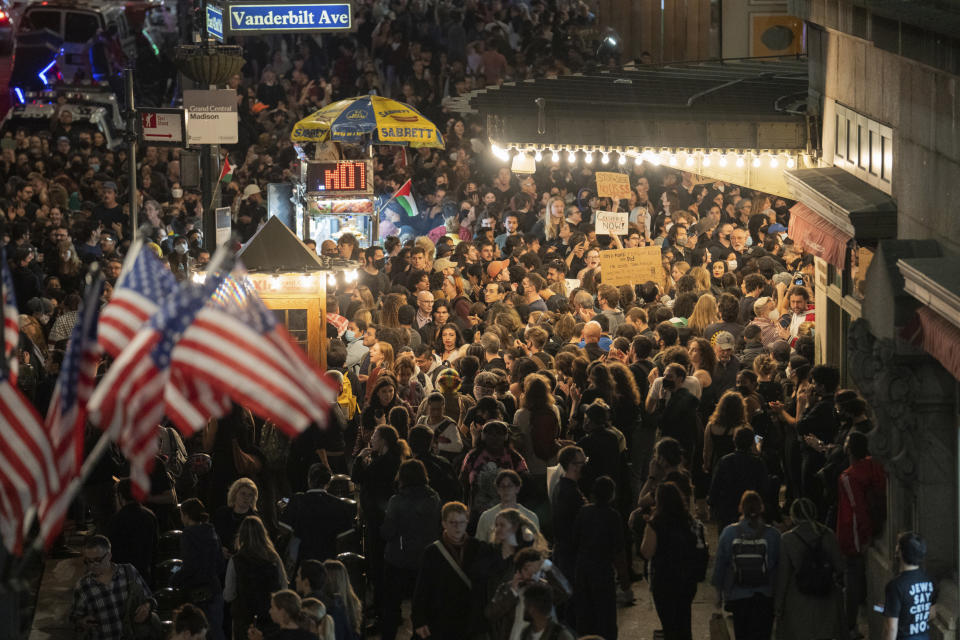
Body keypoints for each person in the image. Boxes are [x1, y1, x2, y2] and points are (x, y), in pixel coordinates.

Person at [380, 459, 441, 640]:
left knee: (391, 606)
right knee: (421, 607)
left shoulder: (396, 501)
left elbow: (388, 531)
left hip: (398, 559)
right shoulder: (434, 499)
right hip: (425, 559)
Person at [837, 430, 888, 635]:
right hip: (879, 531)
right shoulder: (877, 468)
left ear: (849, 450)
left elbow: (856, 509)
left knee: (853, 581)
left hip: (856, 537)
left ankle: (850, 626)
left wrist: (861, 538)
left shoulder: (849, 477)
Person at [712, 490, 781, 640]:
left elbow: (720, 565)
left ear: (741, 508)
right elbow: (778, 567)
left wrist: (718, 594)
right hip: (765, 595)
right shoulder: (773, 535)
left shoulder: (729, 532)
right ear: (761, 508)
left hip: (738, 595)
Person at [640, 482, 705, 640]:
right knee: (684, 621)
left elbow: (647, 552)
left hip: (663, 581)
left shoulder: (655, 524)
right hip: (687, 580)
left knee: (669, 626)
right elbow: (701, 548)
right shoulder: (693, 524)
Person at [774, 498, 845, 640]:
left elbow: (783, 576)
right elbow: (840, 568)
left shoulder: (787, 539)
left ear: (793, 516)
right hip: (826, 598)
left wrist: (778, 606)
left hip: (797, 602)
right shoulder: (828, 534)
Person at [411, 501, 484, 639]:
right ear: (444, 523)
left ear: (467, 522)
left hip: (467, 619)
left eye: (462, 522)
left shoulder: (476, 547)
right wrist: (419, 620)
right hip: (441, 618)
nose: (458, 527)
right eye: (453, 523)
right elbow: (422, 588)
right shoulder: (432, 552)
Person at [572, 476, 627, 640]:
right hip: (603, 571)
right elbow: (619, 551)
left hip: (582, 570)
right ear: (612, 495)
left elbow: (574, 540)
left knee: (584, 616)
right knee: (606, 618)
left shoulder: (584, 512)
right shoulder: (613, 516)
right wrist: (625, 580)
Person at [71, 535, 157, 640]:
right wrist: (82, 622)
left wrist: (146, 607)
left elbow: (150, 598)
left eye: (97, 560)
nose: (93, 565)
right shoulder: (83, 586)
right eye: (88, 561)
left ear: (109, 556)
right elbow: (74, 618)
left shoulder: (128, 572)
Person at [280, 463, 357, 565]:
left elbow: (284, 530)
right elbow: (345, 538)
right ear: (328, 482)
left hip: (302, 562)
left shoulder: (297, 501)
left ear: (309, 480)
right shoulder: (338, 504)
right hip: (328, 562)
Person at [224, 516, 287, 639]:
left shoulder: (236, 560)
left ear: (241, 536)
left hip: (244, 620)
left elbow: (229, 594)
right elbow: (284, 586)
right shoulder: (274, 558)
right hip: (271, 618)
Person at [175, 499, 227, 640]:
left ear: (186, 515)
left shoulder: (188, 535)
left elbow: (189, 566)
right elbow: (220, 564)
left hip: (197, 593)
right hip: (215, 589)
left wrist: (175, 579)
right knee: (216, 632)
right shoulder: (212, 531)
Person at [708, 426, 771, 529]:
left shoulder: (724, 461)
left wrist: (712, 503)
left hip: (727, 510)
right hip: (751, 510)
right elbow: (764, 488)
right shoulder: (758, 463)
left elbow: (715, 486)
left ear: (734, 440)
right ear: (751, 442)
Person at [882, 532, 935, 640]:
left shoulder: (895, 586)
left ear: (900, 552)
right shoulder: (929, 579)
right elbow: (931, 614)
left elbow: (891, 628)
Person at [106, 478, 158, 586]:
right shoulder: (149, 515)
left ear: (120, 496)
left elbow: (113, 553)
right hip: (145, 573)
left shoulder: (116, 520)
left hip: (124, 576)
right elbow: (155, 548)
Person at [475, 469, 540, 542]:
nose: (506, 490)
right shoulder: (486, 517)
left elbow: (537, 544)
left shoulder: (530, 517)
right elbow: (480, 545)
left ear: (517, 488)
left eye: (510, 486)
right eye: (502, 486)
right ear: (498, 490)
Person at [214, 478, 260, 557]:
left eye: (250, 495)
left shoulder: (254, 519)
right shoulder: (222, 512)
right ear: (235, 494)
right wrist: (219, 548)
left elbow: (256, 546)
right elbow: (213, 535)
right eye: (243, 493)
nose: (246, 498)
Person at [244, 590, 315, 640]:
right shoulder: (311, 637)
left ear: (282, 611)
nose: (270, 611)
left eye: (272, 607)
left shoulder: (276, 638)